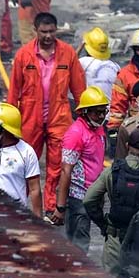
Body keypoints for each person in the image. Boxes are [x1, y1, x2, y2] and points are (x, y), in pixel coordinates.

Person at [7, 12, 87, 219]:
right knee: (24, 163)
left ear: (56, 29)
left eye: (52, 31)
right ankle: (20, 204)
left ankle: (52, 208)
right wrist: (8, 125)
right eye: (44, 32)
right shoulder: (23, 55)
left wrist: (84, 121)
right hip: (29, 119)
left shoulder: (68, 54)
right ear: (35, 30)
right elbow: (13, 92)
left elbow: (79, 91)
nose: (48, 36)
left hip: (59, 118)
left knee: (57, 166)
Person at [83, 128, 139, 275]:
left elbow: (89, 199)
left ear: (127, 146)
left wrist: (103, 224)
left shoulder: (112, 171)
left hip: (115, 239)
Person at [56, 86, 108, 250]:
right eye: (97, 112)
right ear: (85, 112)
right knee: (79, 243)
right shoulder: (76, 134)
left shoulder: (98, 128)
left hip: (94, 195)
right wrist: (60, 206)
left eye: (104, 112)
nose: (101, 116)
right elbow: (66, 170)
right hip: (78, 197)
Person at [0, 102, 42, 216]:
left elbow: (34, 189)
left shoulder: (26, 152)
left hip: (15, 215)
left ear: (2, 129)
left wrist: (38, 220)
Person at [79, 26, 120, 101]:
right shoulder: (115, 66)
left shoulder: (85, 62)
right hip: (113, 106)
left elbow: (69, 63)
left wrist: (81, 46)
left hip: (94, 105)